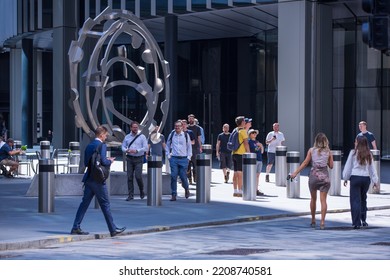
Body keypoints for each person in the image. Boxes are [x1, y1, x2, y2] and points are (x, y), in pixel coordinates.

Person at [71, 126, 126, 237]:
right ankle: (113, 229)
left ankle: (75, 227)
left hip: (89, 178)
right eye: (105, 135)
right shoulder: (102, 145)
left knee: (84, 204)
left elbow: (86, 162)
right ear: (101, 135)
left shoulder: (89, 146)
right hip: (98, 180)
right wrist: (109, 161)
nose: (106, 137)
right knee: (105, 204)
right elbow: (104, 161)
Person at [290, 133, 334, 230]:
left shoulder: (311, 150)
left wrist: (295, 173)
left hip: (314, 177)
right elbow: (331, 166)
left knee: (313, 199)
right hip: (325, 178)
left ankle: (313, 220)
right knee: (323, 201)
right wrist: (326, 160)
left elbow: (305, 163)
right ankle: (322, 222)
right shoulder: (328, 152)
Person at [342, 136, 379, 229]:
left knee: (355, 200)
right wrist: (375, 181)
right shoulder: (369, 154)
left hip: (355, 178)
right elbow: (372, 168)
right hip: (366, 179)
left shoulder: (353, 153)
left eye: (355, 141)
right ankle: (364, 220)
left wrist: (345, 178)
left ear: (358, 143)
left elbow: (348, 167)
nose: (354, 143)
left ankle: (356, 222)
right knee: (363, 199)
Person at [166, 120, 192, 201]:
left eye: (179, 126)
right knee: (173, 176)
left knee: (183, 176)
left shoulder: (185, 135)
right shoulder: (172, 134)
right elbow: (167, 145)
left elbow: (189, 147)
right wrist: (168, 155)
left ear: (182, 127)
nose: (177, 127)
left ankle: (186, 188)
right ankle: (174, 194)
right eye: (176, 126)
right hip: (174, 158)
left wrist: (188, 157)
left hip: (183, 159)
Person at [121, 121, 148, 201]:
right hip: (129, 158)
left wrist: (137, 150)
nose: (135, 129)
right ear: (131, 128)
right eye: (134, 127)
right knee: (129, 177)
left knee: (138, 176)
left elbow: (145, 148)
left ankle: (141, 190)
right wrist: (126, 150)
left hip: (139, 158)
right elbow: (123, 147)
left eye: (136, 127)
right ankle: (130, 195)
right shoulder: (127, 137)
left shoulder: (142, 137)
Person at [232, 116, 250, 197]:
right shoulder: (243, 131)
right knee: (240, 173)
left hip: (234, 153)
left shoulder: (235, 130)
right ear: (242, 122)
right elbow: (246, 143)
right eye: (244, 121)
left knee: (235, 173)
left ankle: (235, 191)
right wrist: (249, 153)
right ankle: (240, 191)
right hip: (241, 154)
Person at [248, 129, 265, 196]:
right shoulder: (249, 142)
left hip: (259, 159)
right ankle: (251, 189)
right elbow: (253, 150)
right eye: (253, 133)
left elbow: (262, 151)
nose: (254, 134)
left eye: (255, 133)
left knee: (257, 176)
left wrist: (261, 146)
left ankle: (256, 189)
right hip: (254, 160)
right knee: (253, 175)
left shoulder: (257, 142)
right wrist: (260, 146)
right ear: (250, 134)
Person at [184, 117, 199, 184]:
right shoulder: (178, 132)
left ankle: (195, 176)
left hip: (193, 149)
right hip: (184, 151)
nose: (183, 125)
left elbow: (194, 141)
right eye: (182, 124)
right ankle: (189, 178)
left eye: (184, 124)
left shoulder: (190, 132)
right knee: (187, 165)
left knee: (194, 163)